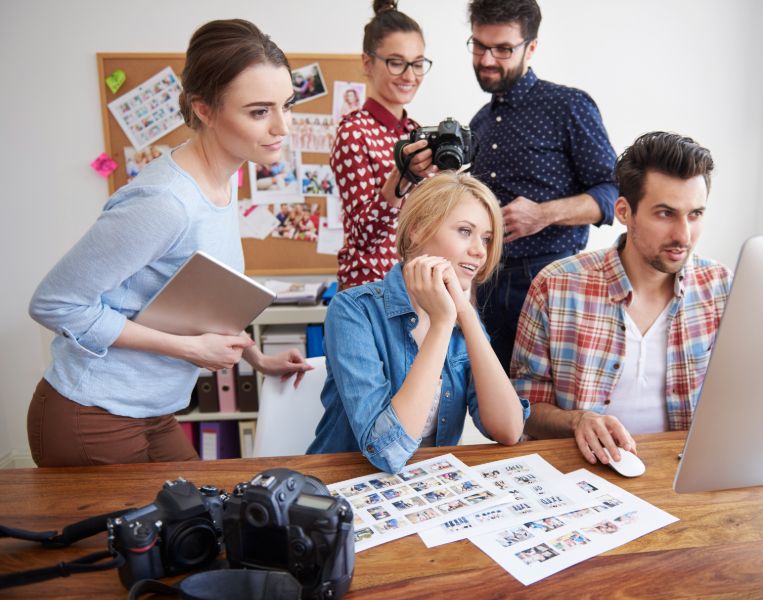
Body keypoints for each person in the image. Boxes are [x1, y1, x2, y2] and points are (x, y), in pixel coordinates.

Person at [27, 19, 312, 467]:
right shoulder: (165, 201)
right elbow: (55, 304)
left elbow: (201, 294)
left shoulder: (226, 174)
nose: (282, 126)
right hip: (93, 412)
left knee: (199, 527)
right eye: (259, 112)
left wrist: (257, 358)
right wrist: (191, 350)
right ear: (204, 109)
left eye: (287, 105)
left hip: (154, 410)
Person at [511, 131, 733, 466]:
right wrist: (577, 420)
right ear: (623, 211)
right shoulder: (556, 287)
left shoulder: (719, 287)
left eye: (695, 214)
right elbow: (523, 407)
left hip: (682, 474)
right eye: (665, 213)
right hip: (585, 476)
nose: (683, 236)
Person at [308, 172, 530, 473]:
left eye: (487, 238)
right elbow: (386, 452)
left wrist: (464, 313)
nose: (480, 250)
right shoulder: (354, 310)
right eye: (465, 231)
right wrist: (441, 324)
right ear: (417, 229)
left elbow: (508, 429)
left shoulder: (463, 316)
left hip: (427, 490)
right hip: (349, 484)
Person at [467, 0, 618, 372]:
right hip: (486, 282)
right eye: (479, 45)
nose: (487, 59)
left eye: (503, 49)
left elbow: (613, 192)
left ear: (530, 47)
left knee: (550, 408)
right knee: (496, 410)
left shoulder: (568, 106)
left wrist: (543, 214)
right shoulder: (480, 122)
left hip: (550, 277)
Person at [332, 0, 437, 290]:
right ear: (368, 63)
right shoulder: (354, 132)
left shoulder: (415, 131)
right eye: (396, 62)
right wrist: (401, 177)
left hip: (412, 288)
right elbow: (364, 237)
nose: (410, 75)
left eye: (417, 64)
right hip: (369, 291)